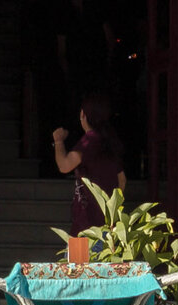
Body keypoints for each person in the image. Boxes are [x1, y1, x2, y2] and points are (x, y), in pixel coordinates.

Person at [52, 94, 126, 232]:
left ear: (83, 115)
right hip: (108, 224)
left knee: (79, 254)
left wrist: (58, 141)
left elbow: (64, 165)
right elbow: (121, 180)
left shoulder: (89, 141)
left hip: (87, 225)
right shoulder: (110, 142)